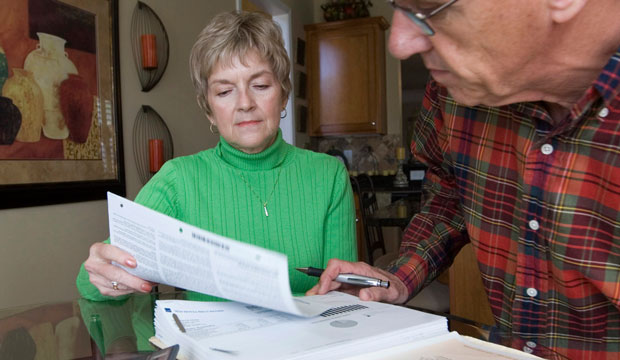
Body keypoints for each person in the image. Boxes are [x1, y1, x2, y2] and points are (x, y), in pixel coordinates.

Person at [309, 0, 620, 358]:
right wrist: (396, 279)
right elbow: (447, 199)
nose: (399, 44)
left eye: (429, 7)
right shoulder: (452, 96)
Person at [76, 11, 357, 302]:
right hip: (210, 345)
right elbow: (90, 285)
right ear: (209, 108)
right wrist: (101, 274)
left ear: (283, 94)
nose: (245, 104)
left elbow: (344, 294)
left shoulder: (328, 175)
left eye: (260, 86)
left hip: (309, 343)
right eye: (225, 91)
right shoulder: (178, 181)